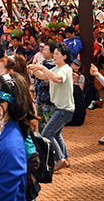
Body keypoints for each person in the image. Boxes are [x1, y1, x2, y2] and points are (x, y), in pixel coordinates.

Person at [27, 43, 74, 171]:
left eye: (57, 54)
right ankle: (65, 159)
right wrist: (33, 69)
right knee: (56, 134)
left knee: (47, 133)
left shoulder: (65, 69)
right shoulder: (56, 68)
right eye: (54, 54)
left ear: (64, 56)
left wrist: (41, 67)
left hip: (64, 109)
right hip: (60, 108)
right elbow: (43, 76)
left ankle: (60, 160)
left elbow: (57, 78)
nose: (54, 56)